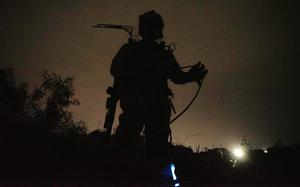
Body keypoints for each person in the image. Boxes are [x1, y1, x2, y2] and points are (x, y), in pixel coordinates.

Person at [110, 10, 207, 168]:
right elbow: (115, 69)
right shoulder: (130, 50)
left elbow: (177, 77)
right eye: (154, 27)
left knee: (158, 146)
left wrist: (192, 76)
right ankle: (122, 171)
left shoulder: (162, 54)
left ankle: (152, 173)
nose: (157, 31)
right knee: (127, 139)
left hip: (157, 104)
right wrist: (139, 75)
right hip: (136, 101)